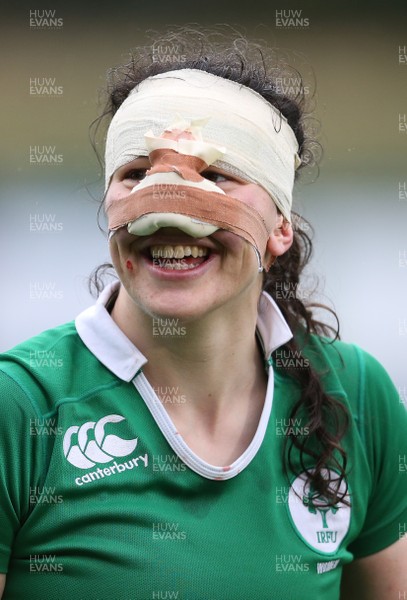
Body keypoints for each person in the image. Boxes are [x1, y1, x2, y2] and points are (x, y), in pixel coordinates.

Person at [0, 26, 406, 600]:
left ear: (280, 227)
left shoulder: (357, 396)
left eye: (216, 177)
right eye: (136, 174)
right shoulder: (19, 408)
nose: (166, 210)